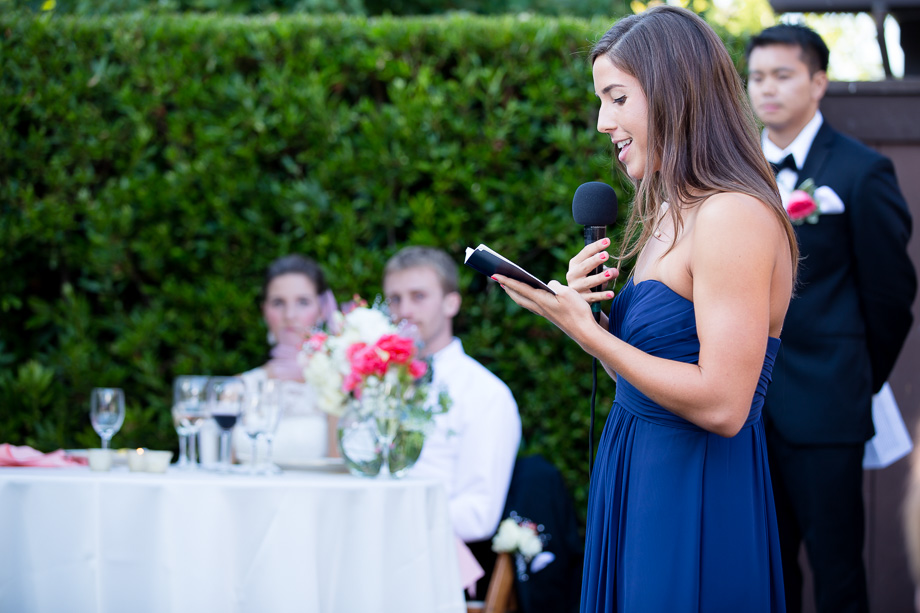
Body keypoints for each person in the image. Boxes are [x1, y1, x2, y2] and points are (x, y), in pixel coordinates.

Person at [494, 6, 794, 611]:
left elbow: (724, 403)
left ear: (674, 94)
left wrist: (595, 337)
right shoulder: (662, 212)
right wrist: (585, 321)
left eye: (618, 97)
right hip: (636, 470)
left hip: (695, 488)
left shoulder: (731, 215)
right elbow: (645, 375)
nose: (604, 122)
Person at [746, 24, 916, 613]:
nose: (766, 89)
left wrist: (854, 379)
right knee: (762, 566)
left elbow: (892, 296)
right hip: (741, 405)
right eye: (757, 77)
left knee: (838, 569)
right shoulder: (732, 173)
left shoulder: (861, 171)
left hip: (828, 406)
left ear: (818, 83)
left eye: (783, 75)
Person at [382, 246, 522, 587]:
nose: (405, 311)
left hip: (430, 566)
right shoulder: (377, 383)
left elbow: (479, 513)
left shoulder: (486, 394)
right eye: (395, 299)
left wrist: (384, 519)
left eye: (418, 296)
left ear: (451, 303)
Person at [229, 254, 340, 468]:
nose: (290, 315)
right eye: (278, 303)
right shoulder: (239, 386)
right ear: (264, 311)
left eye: (303, 302)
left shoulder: (339, 385)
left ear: (321, 310)